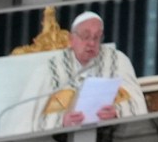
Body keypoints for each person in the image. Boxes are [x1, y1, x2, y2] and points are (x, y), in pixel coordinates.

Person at [19, 12, 149, 132]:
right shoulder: (50, 69)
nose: (91, 43)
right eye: (85, 37)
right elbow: (25, 120)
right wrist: (61, 121)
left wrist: (117, 112)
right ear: (71, 39)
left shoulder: (117, 61)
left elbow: (138, 107)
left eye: (97, 37)